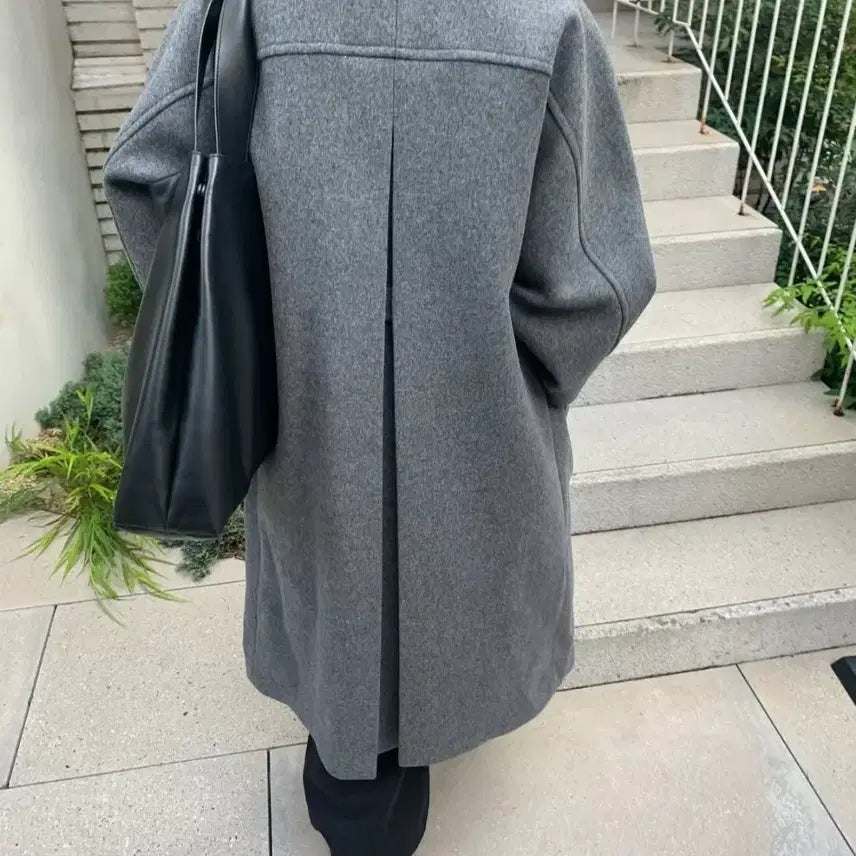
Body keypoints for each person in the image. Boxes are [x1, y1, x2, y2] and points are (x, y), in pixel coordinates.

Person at [104, 0, 656, 852]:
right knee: (441, 610)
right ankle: (391, 763)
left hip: (305, 412)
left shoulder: (241, 8)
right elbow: (602, 278)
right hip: (479, 420)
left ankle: (354, 775)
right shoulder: (545, 22)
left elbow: (145, 174)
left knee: (339, 619)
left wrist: (244, 328)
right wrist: (517, 368)